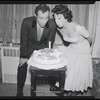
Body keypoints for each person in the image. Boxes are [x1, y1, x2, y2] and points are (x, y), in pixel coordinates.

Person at [52, 4, 93, 96]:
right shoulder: (59, 27)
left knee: (76, 74)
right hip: (72, 48)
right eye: (55, 18)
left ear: (66, 17)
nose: (56, 21)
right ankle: (68, 90)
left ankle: (73, 92)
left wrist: (85, 50)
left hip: (83, 51)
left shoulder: (77, 28)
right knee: (66, 70)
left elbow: (89, 38)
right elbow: (66, 39)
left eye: (59, 18)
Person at [16, 4, 57, 96]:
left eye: (46, 18)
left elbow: (49, 42)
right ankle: (19, 90)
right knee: (22, 66)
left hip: (43, 46)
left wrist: (47, 51)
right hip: (29, 46)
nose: (44, 21)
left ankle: (52, 84)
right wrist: (24, 56)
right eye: (41, 18)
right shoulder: (26, 22)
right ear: (35, 16)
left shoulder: (52, 24)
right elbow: (24, 40)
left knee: (50, 64)